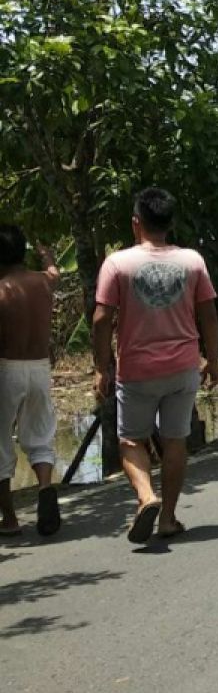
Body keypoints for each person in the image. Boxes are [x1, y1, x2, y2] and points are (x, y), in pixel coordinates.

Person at [92, 187, 218, 543]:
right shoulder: (192, 261)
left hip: (137, 371)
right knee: (175, 439)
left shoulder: (118, 264)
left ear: (137, 224)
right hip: (183, 367)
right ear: (170, 223)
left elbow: (102, 319)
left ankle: (147, 497)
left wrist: (102, 367)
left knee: (131, 440)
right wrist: (213, 358)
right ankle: (167, 518)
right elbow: (208, 314)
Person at [0, 227, 62, 536]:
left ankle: (9, 519)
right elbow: (54, 272)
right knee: (40, 435)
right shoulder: (43, 282)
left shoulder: (2, 290)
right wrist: (47, 255)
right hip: (39, 367)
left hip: (7, 368)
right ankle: (45, 487)